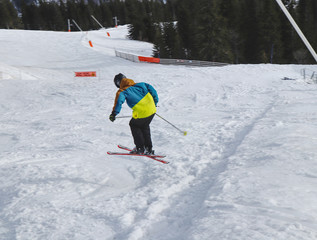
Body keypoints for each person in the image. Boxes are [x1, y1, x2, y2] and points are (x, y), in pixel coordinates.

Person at [109, 73, 158, 155]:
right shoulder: (141, 84)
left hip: (142, 112)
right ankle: (148, 148)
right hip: (152, 110)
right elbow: (153, 91)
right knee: (144, 126)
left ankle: (140, 148)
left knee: (134, 125)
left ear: (118, 83)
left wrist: (114, 114)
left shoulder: (122, 91)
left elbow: (118, 102)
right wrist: (155, 103)